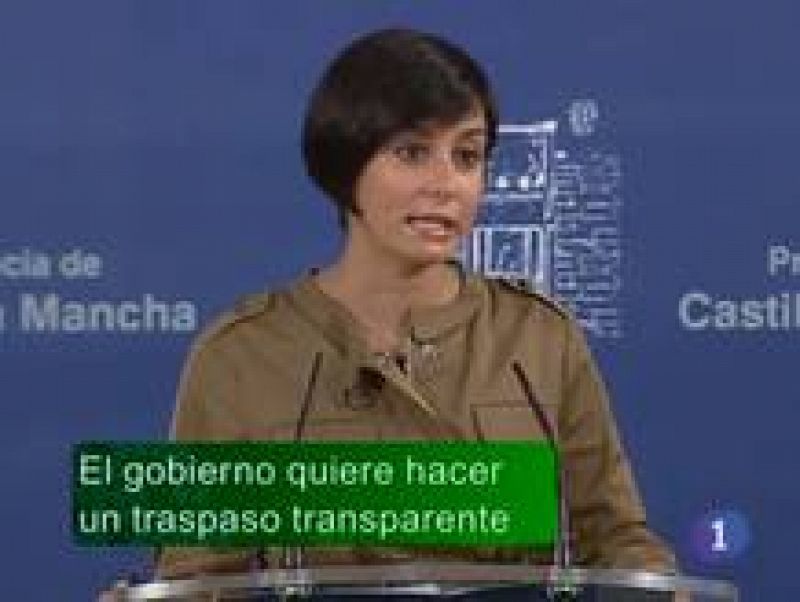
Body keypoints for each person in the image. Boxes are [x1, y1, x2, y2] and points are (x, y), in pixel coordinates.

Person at [158, 28, 675, 578]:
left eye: (467, 156)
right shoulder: (240, 356)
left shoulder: (538, 338)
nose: (447, 184)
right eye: (412, 153)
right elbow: (201, 575)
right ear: (345, 166)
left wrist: (658, 585)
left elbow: (614, 541)